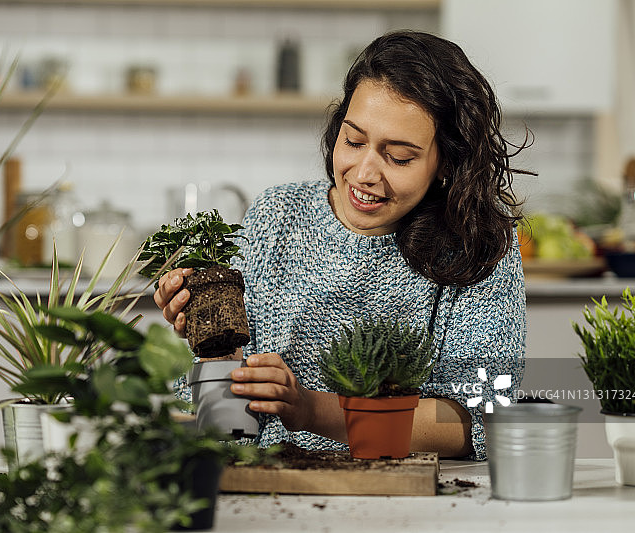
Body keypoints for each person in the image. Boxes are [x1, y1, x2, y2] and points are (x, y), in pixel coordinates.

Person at [154, 30, 531, 460]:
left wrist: (311, 409)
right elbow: (228, 425)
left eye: (399, 157)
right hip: (273, 490)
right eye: (353, 141)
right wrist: (214, 346)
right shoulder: (278, 214)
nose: (364, 172)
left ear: (444, 162)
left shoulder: (477, 243)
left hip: (405, 502)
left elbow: (476, 422)